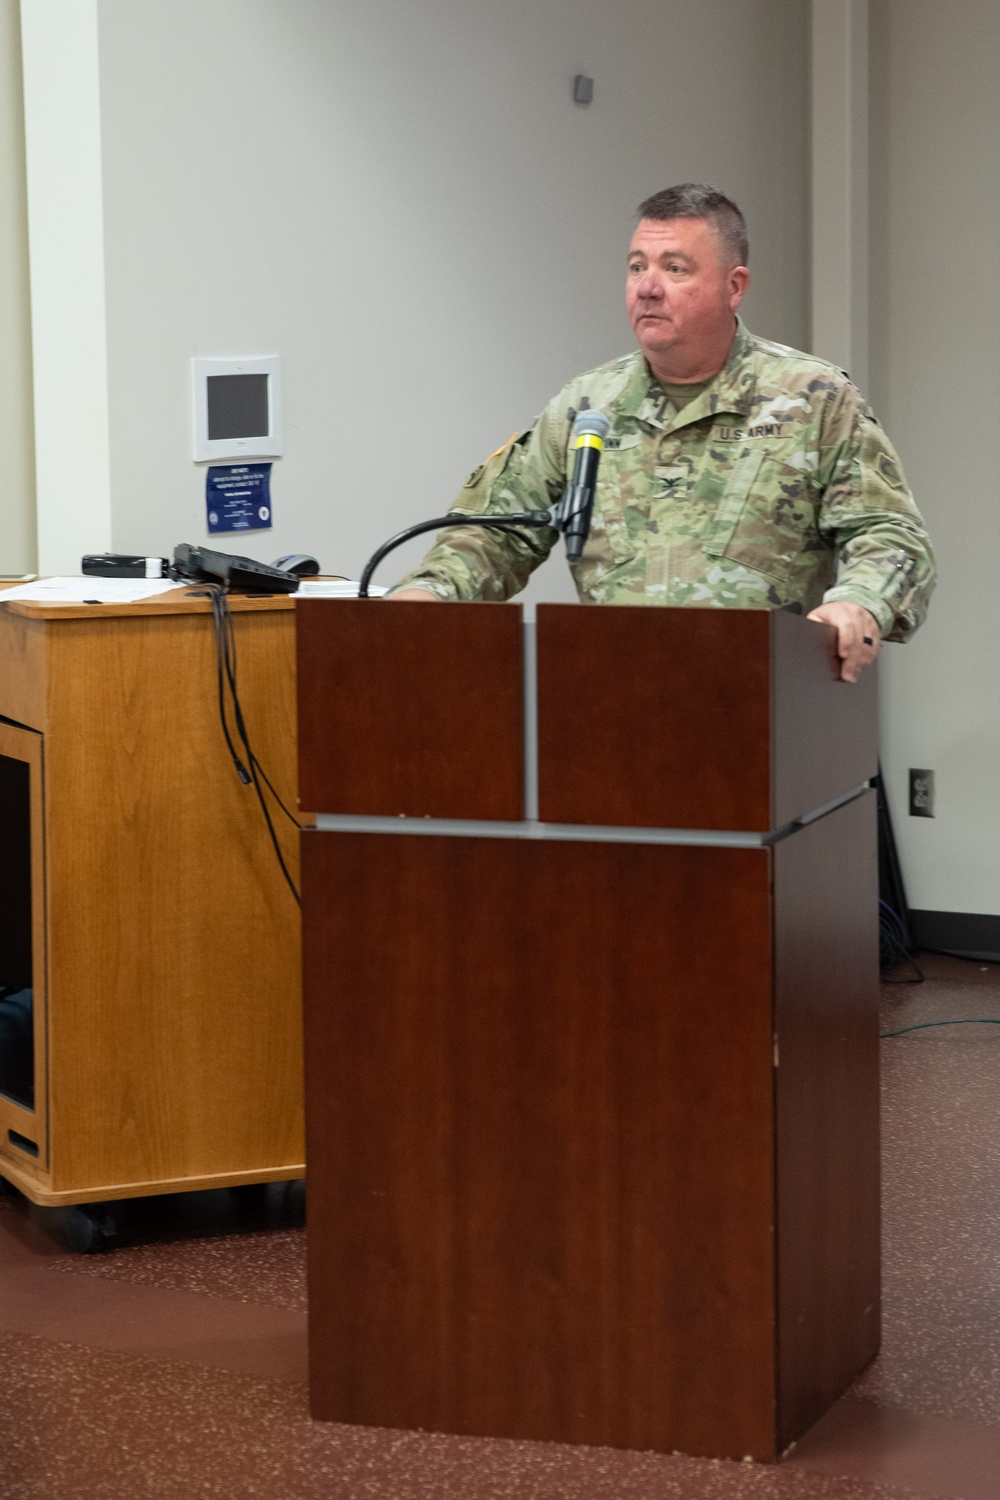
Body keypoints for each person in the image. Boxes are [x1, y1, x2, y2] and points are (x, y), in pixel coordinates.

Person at [388, 184, 935, 682]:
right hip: (613, 703)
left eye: (674, 268)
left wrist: (860, 602)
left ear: (733, 286)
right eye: (635, 267)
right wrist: (430, 590)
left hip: (767, 700)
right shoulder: (587, 408)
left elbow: (889, 534)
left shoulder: (813, 398)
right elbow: (498, 532)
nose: (647, 288)